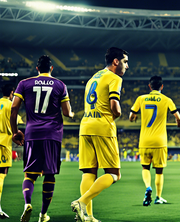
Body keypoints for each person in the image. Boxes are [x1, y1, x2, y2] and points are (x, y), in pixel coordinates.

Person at [10, 55, 74, 222]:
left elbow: (14, 109)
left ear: (37, 69)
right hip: (52, 135)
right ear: (51, 69)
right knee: (49, 175)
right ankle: (43, 215)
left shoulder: (24, 83)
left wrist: (15, 132)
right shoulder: (60, 85)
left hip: (32, 134)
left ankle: (27, 204)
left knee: (30, 174)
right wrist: (73, 113)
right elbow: (67, 113)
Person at [71, 47, 128, 222]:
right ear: (116, 61)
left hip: (85, 126)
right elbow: (114, 107)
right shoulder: (115, 78)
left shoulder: (93, 78)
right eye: (125, 62)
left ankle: (88, 216)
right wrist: (117, 115)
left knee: (89, 173)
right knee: (114, 174)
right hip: (102, 127)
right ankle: (81, 202)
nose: (127, 66)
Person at [129, 76, 180, 206]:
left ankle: (148, 187)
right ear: (162, 86)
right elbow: (179, 119)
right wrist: (179, 123)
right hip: (160, 141)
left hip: (144, 140)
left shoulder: (141, 99)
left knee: (145, 168)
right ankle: (158, 197)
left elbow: (131, 116)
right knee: (159, 171)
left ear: (149, 86)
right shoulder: (166, 100)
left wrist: (134, 118)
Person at [0, 83, 19, 219]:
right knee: (1, 173)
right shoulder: (10, 105)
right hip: (3, 143)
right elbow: (15, 123)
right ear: (11, 93)